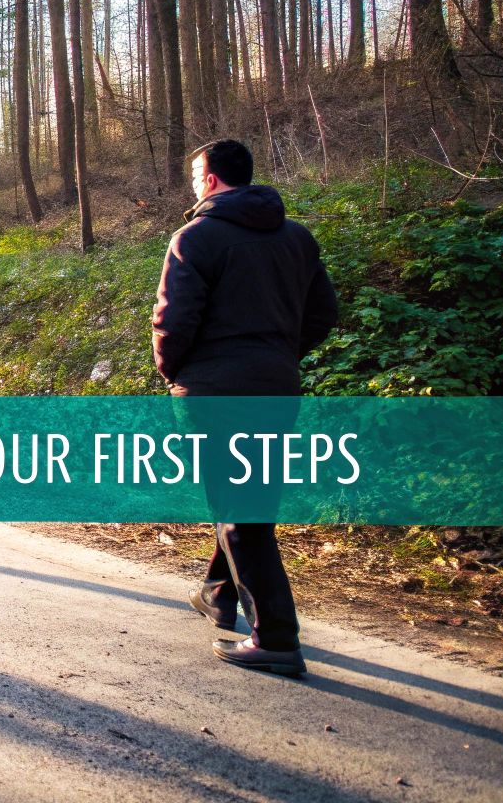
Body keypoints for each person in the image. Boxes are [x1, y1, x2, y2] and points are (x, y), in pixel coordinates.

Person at [151, 139, 338, 677]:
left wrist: (178, 372)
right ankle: (216, 592)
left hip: (214, 392)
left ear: (209, 179)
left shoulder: (196, 237)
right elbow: (324, 311)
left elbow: (172, 320)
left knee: (239, 511)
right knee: (249, 499)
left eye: (194, 177)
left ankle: (276, 636)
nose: (192, 186)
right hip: (277, 388)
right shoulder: (297, 239)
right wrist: (277, 357)